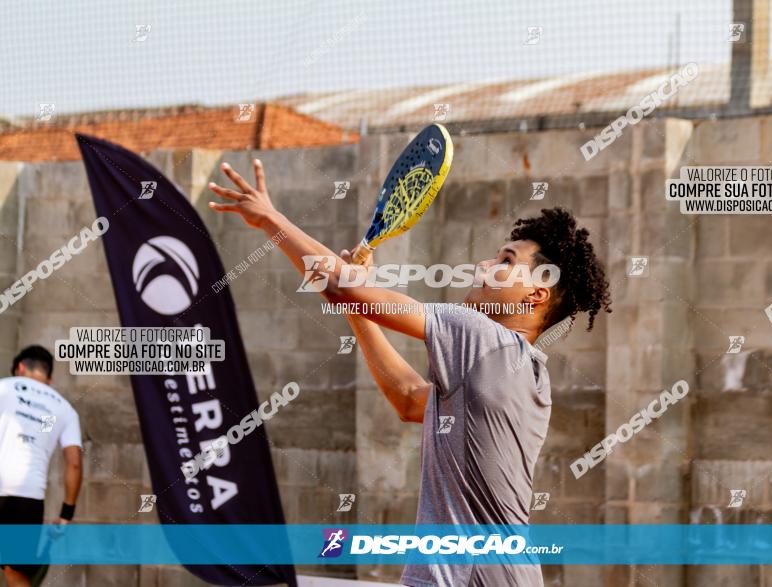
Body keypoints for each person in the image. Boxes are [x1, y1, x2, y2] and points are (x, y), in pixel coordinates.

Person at [209, 160, 611, 586]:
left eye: (506, 260)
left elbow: (340, 286)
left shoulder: (481, 335)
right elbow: (407, 398)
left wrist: (270, 218)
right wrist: (356, 306)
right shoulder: (529, 376)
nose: (483, 264)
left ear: (535, 294)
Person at [0, 346, 83, 587]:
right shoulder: (64, 409)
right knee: (16, 572)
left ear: (21, 368)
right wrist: (65, 515)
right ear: (49, 377)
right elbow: (74, 464)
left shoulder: (4, 387)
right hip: (27, 497)